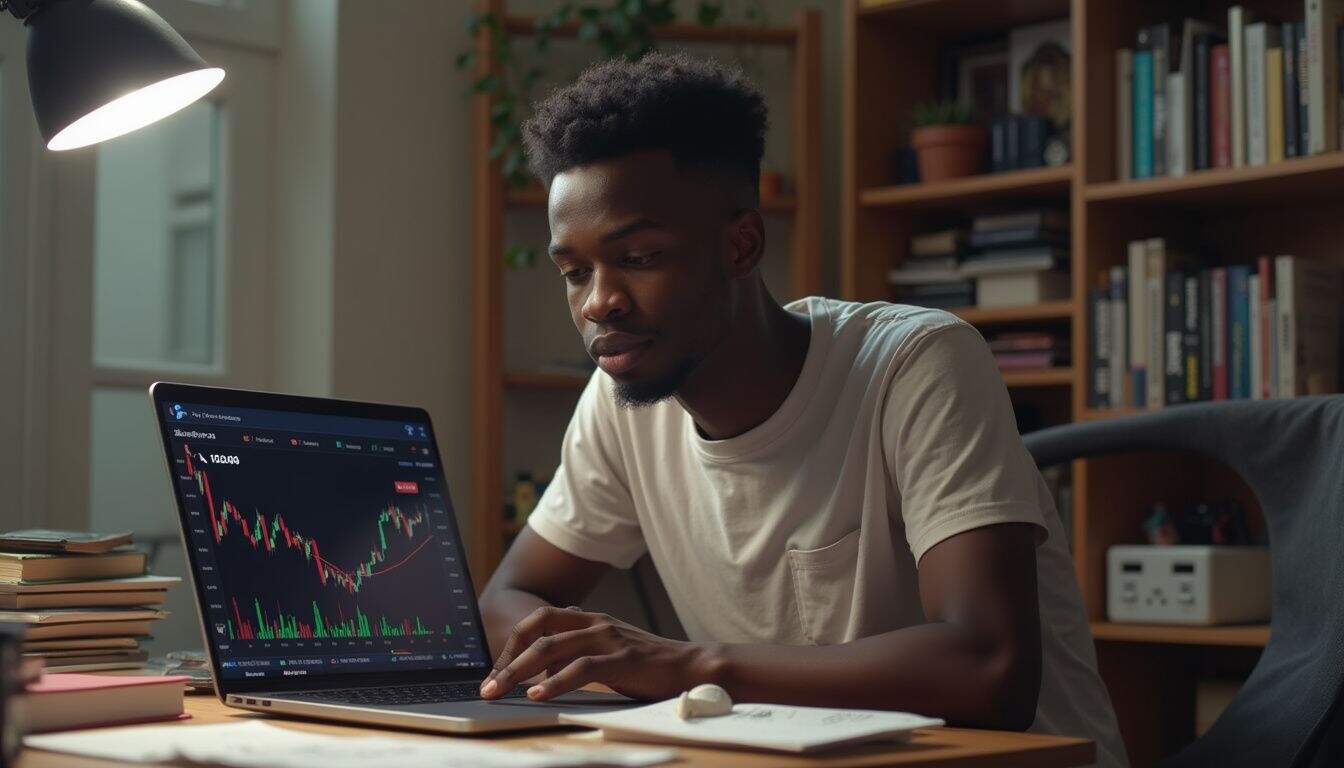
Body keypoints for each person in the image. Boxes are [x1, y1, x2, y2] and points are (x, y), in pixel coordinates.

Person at [477, 52, 1126, 768]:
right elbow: (510, 595)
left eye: (639, 256)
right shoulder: (620, 401)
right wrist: (589, 653)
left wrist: (691, 668)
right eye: (575, 273)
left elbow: (990, 669)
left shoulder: (917, 362)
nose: (598, 302)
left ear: (741, 245)